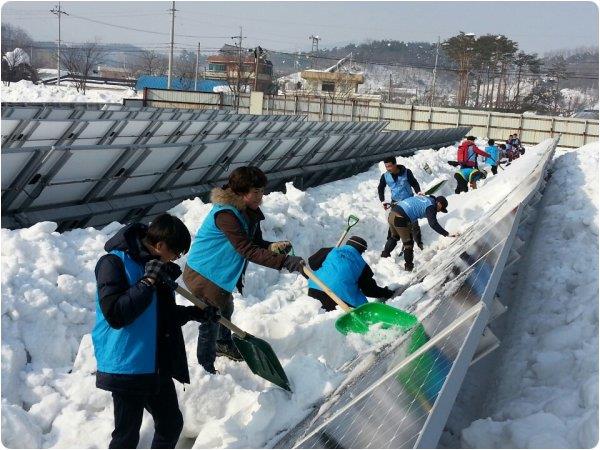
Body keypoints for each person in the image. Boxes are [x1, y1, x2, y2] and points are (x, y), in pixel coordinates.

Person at [92, 213, 220, 449]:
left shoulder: (155, 266)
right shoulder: (113, 263)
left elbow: (159, 317)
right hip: (127, 364)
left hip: (154, 363)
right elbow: (116, 315)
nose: (176, 259)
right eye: (176, 253)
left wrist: (195, 313)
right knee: (126, 438)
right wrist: (147, 282)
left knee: (170, 423)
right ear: (160, 245)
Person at [183, 166, 305, 374]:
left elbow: (254, 242)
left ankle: (222, 344)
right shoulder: (226, 215)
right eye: (256, 192)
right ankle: (206, 365)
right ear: (240, 192)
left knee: (225, 307)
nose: (261, 196)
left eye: (262, 191)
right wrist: (284, 261)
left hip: (217, 273)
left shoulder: (246, 212)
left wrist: (270, 247)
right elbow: (246, 249)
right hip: (203, 273)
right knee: (211, 317)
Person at [306, 236, 395, 311]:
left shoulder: (330, 251)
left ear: (347, 244)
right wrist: (386, 293)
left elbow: (312, 263)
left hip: (315, 289)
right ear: (362, 251)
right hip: (341, 300)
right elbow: (369, 290)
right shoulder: (362, 266)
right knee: (365, 308)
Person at [388, 195, 458, 271]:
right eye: (441, 209)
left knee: (395, 237)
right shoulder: (431, 207)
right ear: (439, 204)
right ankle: (408, 268)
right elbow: (433, 224)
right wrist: (446, 234)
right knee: (408, 244)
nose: (439, 211)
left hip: (395, 213)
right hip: (401, 217)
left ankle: (385, 256)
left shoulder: (429, 199)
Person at [378, 156, 424, 257]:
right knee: (394, 223)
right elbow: (380, 188)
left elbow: (414, 183)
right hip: (396, 203)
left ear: (395, 164)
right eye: (386, 166)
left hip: (408, 201)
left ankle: (419, 243)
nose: (388, 168)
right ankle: (388, 249)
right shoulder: (385, 176)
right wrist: (383, 201)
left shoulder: (406, 172)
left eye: (390, 166)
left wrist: (418, 191)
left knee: (413, 224)